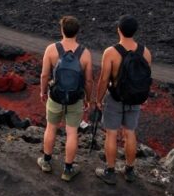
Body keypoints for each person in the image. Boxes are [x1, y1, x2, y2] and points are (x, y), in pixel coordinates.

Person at [94, 15, 153, 185]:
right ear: (135, 31)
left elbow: (104, 79)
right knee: (130, 133)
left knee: (111, 134)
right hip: (135, 99)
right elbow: (145, 78)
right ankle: (129, 170)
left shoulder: (111, 52)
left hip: (115, 98)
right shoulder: (145, 52)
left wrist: (98, 99)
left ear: (118, 30)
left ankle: (110, 171)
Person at [37, 15, 94, 182]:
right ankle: (68, 169)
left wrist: (43, 92)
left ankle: (46, 161)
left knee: (51, 127)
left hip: (55, 97)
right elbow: (89, 80)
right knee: (72, 132)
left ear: (62, 30)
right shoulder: (85, 54)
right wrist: (88, 99)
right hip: (75, 99)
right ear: (78, 32)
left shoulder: (51, 50)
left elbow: (44, 75)